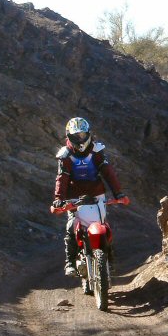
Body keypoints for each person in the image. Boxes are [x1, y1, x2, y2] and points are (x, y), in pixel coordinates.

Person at [52, 117, 129, 292]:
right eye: (76, 135)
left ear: (88, 134)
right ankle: (70, 262)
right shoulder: (65, 155)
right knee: (71, 226)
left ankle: (108, 258)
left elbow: (108, 173)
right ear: (69, 136)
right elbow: (61, 178)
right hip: (74, 197)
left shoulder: (97, 151)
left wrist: (118, 193)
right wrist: (59, 199)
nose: (80, 139)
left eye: (82, 134)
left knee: (103, 223)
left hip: (97, 194)